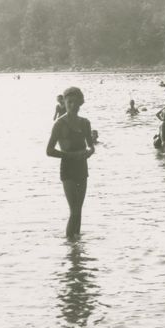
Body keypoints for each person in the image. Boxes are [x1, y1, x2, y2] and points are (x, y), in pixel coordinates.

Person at [46, 86, 94, 238]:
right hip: (68, 168)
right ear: (64, 103)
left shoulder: (85, 123)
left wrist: (88, 153)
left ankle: (76, 248)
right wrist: (71, 156)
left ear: (81, 103)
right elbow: (49, 151)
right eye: (69, 102)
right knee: (73, 210)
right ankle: (70, 245)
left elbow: (91, 146)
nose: (73, 105)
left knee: (79, 210)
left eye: (76, 102)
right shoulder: (59, 124)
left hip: (82, 167)